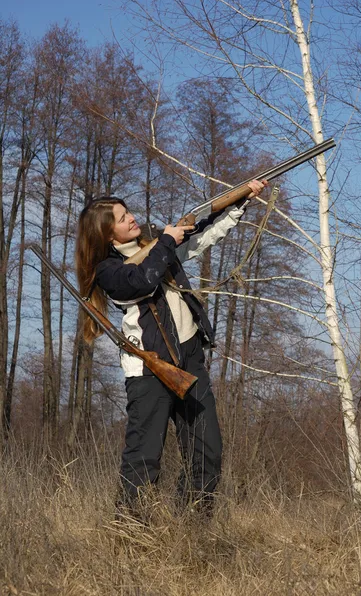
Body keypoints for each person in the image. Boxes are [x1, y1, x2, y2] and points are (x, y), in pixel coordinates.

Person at [75, 179, 266, 515]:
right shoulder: (110, 271)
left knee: (207, 451)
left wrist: (240, 201)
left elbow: (202, 234)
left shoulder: (155, 244)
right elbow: (142, 282)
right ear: (106, 235)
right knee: (144, 458)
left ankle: (192, 530)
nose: (131, 218)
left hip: (190, 358)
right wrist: (165, 241)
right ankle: (131, 533)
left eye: (128, 212)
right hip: (149, 369)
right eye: (121, 219)